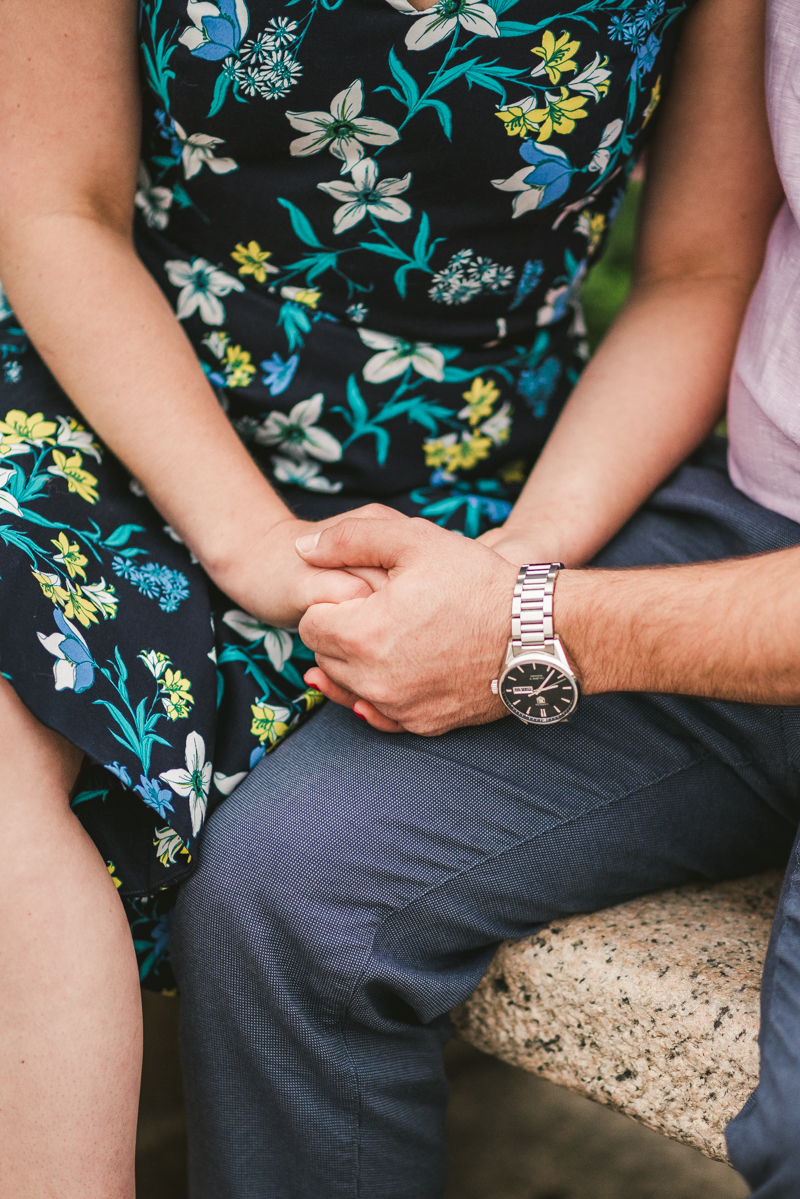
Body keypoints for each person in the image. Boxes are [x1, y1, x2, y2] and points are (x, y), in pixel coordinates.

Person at [0, 0, 775, 1195]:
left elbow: (697, 267)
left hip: (462, 486)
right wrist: (250, 539)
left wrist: (517, 570)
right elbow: (52, 204)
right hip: (109, 396)